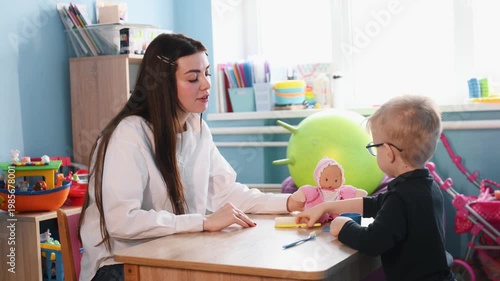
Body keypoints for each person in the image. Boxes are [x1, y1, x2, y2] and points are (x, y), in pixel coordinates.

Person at [78, 33, 304, 281]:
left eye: (206, 73)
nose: (206, 84)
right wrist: (203, 222)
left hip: (174, 254)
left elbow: (226, 193)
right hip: (118, 265)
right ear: (163, 83)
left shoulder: (197, 128)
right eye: (193, 78)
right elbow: (122, 221)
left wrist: (291, 202)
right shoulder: (129, 134)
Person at [296, 95, 456, 281]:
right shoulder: (425, 185)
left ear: (388, 153)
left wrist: (343, 226)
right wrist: (325, 207)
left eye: (375, 147)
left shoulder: (401, 197)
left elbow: (372, 242)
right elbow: (375, 203)